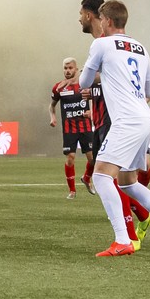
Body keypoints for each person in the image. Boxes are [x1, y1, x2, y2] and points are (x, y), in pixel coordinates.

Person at [79, 0, 150, 258]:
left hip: (126, 120)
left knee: (101, 176)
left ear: (107, 21)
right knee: (128, 183)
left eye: (101, 20)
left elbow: (83, 82)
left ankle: (122, 240)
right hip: (145, 118)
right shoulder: (141, 48)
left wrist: (98, 74)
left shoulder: (101, 44)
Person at [50, 57, 96, 199]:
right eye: (65, 68)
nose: (67, 71)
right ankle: (72, 191)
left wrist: (92, 113)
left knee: (93, 160)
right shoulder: (59, 87)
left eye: (70, 68)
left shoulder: (85, 85)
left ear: (76, 69)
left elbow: (95, 101)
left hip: (86, 127)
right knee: (70, 158)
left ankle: (87, 178)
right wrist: (53, 117)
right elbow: (52, 106)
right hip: (69, 128)